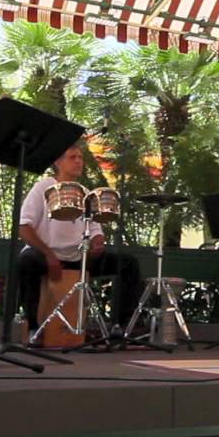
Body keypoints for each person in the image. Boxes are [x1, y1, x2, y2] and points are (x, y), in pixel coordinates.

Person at [16, 143, 142, 337]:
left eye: (80, 158)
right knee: (26, 262)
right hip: (46, 254)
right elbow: (23, 227)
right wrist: (49, 255)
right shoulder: (43, 187)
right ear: (58, 162)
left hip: (78, 257)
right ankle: (34, 326)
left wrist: (98, 242)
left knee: (127, 264)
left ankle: (120, 325)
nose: (78, 162)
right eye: (72, 157)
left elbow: (95, 229)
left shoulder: (85, 192)